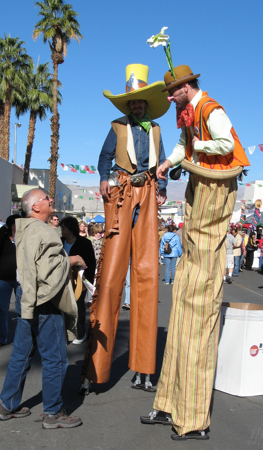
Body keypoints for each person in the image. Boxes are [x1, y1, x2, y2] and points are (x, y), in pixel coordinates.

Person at [141, 64, 250, 440]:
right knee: (185, 299)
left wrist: (192, 149)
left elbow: (226, 146)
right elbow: (181, 144)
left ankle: (194, 418)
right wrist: (170, 162)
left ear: (188, 86)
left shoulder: (211, 109)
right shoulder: (187, 112)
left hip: (214, 188)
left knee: (200, 300)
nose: (169, 97)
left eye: (173, 91)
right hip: (197, 188)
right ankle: (170, 402)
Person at [80, 64, 169, 392]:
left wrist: (162, 185)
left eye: (140, 102)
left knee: (147, 273)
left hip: (146, 190)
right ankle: (94, 370)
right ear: (128, 105)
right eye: (132, 102)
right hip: (120, 191)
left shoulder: (157, 129)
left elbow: (163, 164)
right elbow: (104, 157)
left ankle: (143, 369)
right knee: (111, 275)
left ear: (145, 104)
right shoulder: (117, 127)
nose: (137, 106)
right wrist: (103, 178)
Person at [0, 189, 82, 429]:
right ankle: (52, 412)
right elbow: (47, 271)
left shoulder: (26, 229)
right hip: (44, 301)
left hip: (27, 298)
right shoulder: (43, 231)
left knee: (21, 355)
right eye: (46, 199)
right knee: (55, 358)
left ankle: (7, 405)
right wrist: (72, 260)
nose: (51, 200)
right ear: (35, 207)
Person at [60, 216, 96, 344]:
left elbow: (91, 264)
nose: (61, 230)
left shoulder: (85, 243)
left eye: (63, 227)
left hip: (79, 280)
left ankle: (80, 333)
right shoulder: (59, 242)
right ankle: (64, 333)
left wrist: (88, 282)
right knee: (62, 307)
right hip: (61, 280)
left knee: (79, 307)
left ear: (71, 228)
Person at [0, 214, 20, 347]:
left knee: (21, 310)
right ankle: (0, 338)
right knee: (2, 309)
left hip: (20, 279)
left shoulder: (23, 238)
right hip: (5, 278)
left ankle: (22, 339)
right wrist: (4, 229)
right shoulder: (4, 238)